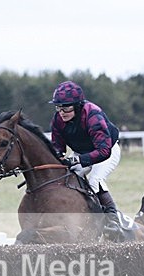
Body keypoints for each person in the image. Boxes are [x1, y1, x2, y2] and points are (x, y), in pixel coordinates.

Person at [48, 80, 123, 234]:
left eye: (66, 107)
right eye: (59, 107)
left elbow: (103, 151)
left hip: (107, 150)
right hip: (81, 152)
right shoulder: (57, 120)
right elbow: (57, 147)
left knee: (95, 180)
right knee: (68, 178)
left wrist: (77, 160)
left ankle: (112, 220)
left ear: (77, 105)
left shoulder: (92, 114)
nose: (62, 112)